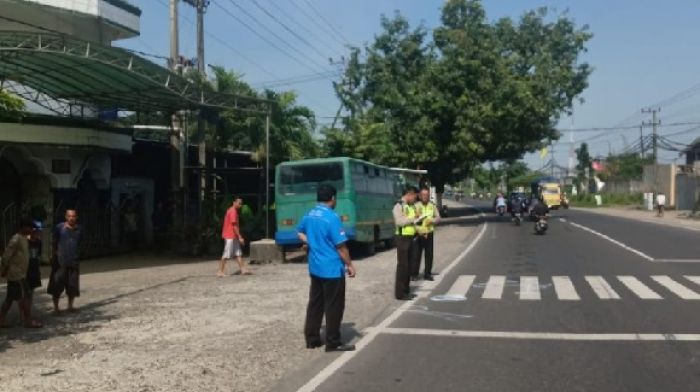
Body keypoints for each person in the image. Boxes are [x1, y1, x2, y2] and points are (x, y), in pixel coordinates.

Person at [297, 184, 356, 352]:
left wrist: (309, 242)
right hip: (331, 268)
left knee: (315, 303)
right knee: (334, 305)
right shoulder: (332, 217)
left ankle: (312, 338)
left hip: (315, 267)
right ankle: (333, 341)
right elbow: (341, 246)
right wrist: (349, 264)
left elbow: (299, 232)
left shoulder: (309, 214)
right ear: (333, 198)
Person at [0, 219, 42, 328]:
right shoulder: (16, 239)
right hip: (16, 275)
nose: (31, 230)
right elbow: (6, 256)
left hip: (21, 274)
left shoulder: (24, 239)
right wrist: (3, 270)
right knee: (25, 297)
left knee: (9, 299)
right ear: (23, 227)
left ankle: (1, 319)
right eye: (29, 227)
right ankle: (28, 320)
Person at [47, 209, 81, 313]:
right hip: (60, 261)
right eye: (69, 216)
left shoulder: (79, 229)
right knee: (57, 284)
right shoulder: (60, 228)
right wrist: (52, 255)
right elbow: (53, 242)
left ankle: (70, 306)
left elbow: (79, 243)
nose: (71, 218)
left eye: (73, 216)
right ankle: (56, 308)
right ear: (66, 217)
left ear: (76, 217)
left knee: (73, 284)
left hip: (73, 260)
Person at [393, 186, 421, 300]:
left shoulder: (411, 206)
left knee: (410, 265)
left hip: (412, 237)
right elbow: (399, 222)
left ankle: (406, 290)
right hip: (402, 238)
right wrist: (412, 218)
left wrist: (419, 229)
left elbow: (413, 222)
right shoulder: (399, 206)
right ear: (409, 194)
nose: (415, 199)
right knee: (403, 266)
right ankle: (400, 293)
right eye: (414, 196)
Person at [414, 188, 441, 281]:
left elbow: (438, 217)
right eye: (424, 195)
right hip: (419, 233)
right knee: (417, 254)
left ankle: (427, 273)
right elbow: (413, 220)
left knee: (429, 254)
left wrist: (432, 221)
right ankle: (414, 274)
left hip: (429, 233)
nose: (426, 197)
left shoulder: (432, 206)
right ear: (420, 196)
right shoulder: (416, 206)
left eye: (427, 195)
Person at [218, 197, 249, 277]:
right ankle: (220, 271)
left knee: (238, 253)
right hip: (230, 236)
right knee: (226, 253)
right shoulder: (232, 212)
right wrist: (240, 237)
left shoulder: (233, 211)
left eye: (241, 203)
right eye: (239, 203)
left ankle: (243, 269)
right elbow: (234, 226)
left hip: (233, 235)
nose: (240, 205)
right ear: (234, 203)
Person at [26, 221, 43, 306]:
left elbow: (38, 256)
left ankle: (28, 313)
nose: (38, 233)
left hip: (34, 269)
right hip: (25, 269)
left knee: (31, 291)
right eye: (36, 231)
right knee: (25, 292)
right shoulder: (24, 241)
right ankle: (24, 314)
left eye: (39, 231)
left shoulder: (38, 242)